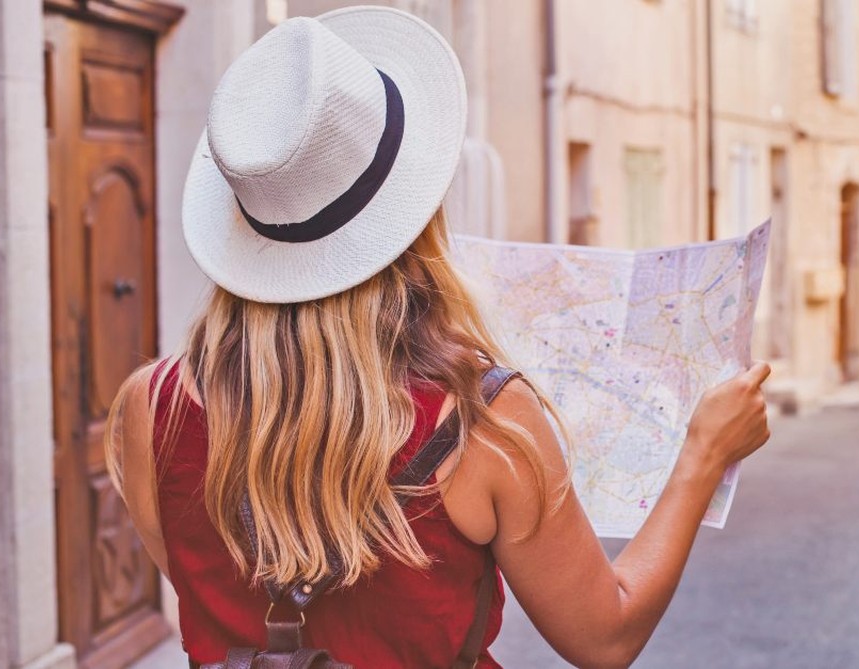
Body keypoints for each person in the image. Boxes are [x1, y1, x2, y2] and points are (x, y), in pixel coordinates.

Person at [104, 7, 771, 669]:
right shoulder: (482, 420)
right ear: (413, 217)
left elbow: (214, 591)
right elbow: (605, 636)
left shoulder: (149, 406)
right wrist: (702, 455)